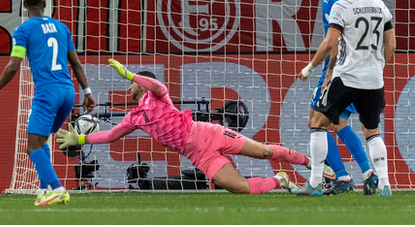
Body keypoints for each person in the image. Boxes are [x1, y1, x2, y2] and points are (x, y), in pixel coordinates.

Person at [57, 59, 334, 195]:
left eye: (132, 82)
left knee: (262, 152)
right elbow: (109, 135)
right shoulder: (134, 118)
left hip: (208, 133)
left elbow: (157, 85)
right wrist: (80, 139)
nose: (128, 86)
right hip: (200, 156)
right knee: (239, 188)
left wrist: (131, 74)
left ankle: (310, 164)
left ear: (141, 83)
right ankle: (281, 180)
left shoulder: (157, 95)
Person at [0, 0, 95, 206]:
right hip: (68, 92)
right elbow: (75, 63)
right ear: (45, 4)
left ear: (24, 6)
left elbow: (13, 66)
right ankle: (44, 191)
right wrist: (87, 91)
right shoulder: (62, 28)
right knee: (41, 140)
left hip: (47, 92)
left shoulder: (23, 30)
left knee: (32, 147)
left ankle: (58, 189)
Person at [294, 0, 395, 197]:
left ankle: (317, 182)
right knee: (372, 131)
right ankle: (385, 184)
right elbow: (391, 44)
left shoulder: (340, 4)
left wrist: (310, 67)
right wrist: (379, 65)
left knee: (317, 123)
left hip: (346, 76)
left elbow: (330, 42)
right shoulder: (381, 5)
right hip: (373, 79)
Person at [306, 0, 374, 195]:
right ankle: (367, 172)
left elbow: (332, 42)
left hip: (338, 72)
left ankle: (339, 177)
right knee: (339, 123)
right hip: (363, 71)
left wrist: (327, 72)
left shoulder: (332, 2)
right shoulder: (365, 1)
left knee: (316, 121)